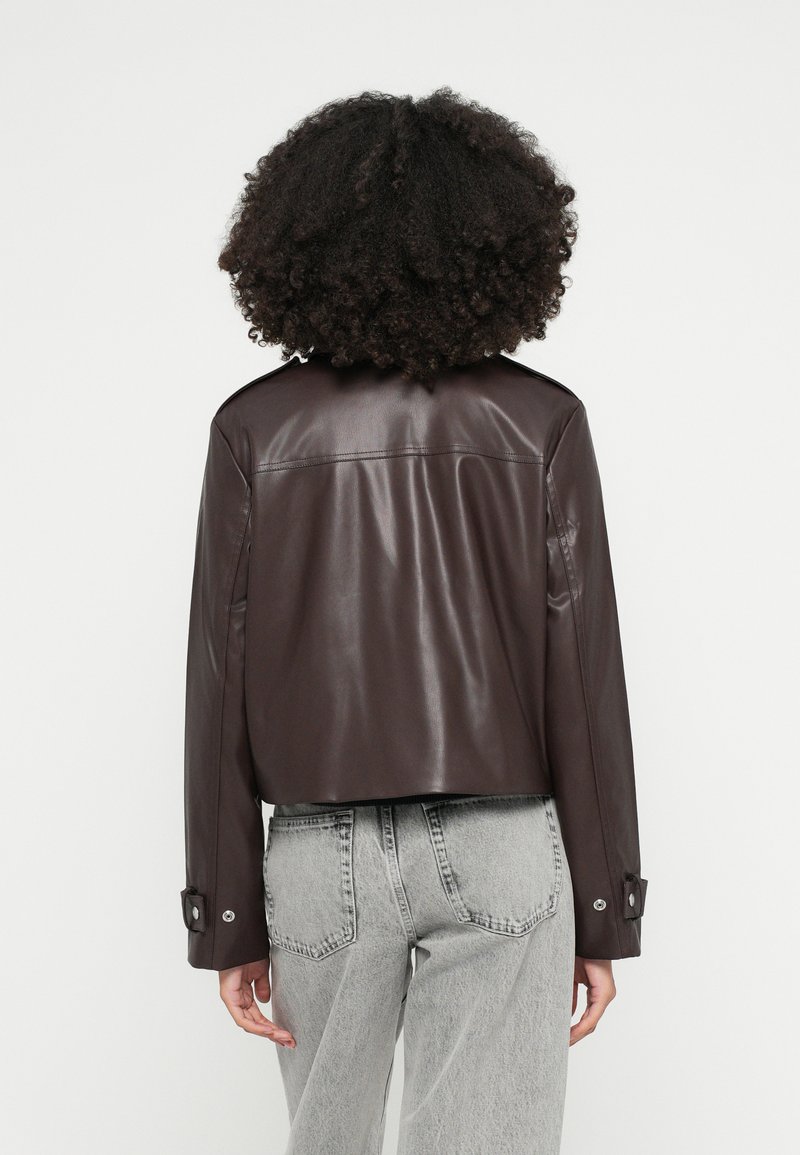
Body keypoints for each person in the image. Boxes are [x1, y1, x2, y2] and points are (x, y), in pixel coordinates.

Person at [180, 86, 648, 1154]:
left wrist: (226, 911)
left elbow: (220, 678)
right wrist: (604, 907)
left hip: (317, 854)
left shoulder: (252, 429)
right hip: (500, 843)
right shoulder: (541, 421)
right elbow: (583, 676)